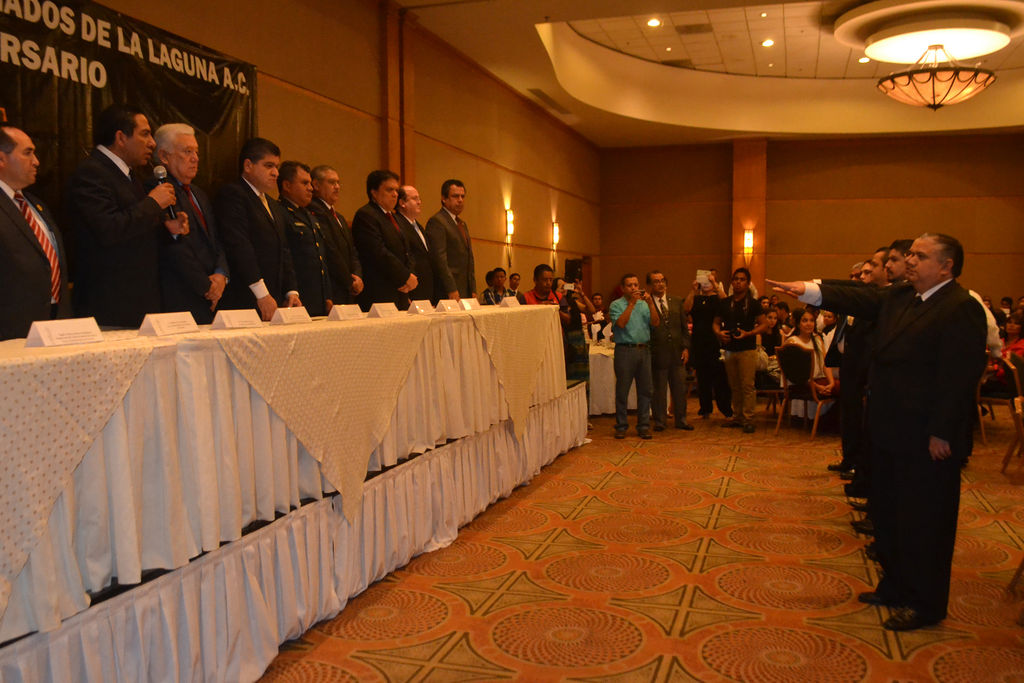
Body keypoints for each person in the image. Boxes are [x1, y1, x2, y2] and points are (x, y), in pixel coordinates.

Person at [769, 233, 987, 632]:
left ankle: (925, 602)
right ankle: (895, 584)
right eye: (911, 254)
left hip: (928, 436)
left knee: (924, 520)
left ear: (946, 267)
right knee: (889, 513)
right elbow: (855, 296)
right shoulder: (902, 296)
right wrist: (809, 289)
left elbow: (959, 378)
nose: (910, 260)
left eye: (920, 256)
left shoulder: (961, 307)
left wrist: (943, 432)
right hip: (889, 428)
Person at [68, 104, 187, 327]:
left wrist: (168, 229)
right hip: (110, 307)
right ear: (121, 138)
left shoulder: (129, 175)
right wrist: (153, 203)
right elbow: (108, 229)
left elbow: (136, 232)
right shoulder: (91, 172)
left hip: (138, 304)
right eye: (145, 134)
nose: (152, 143)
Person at [215, 137, 302, 320]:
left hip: (273, 298)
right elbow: (239, 247)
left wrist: (291, 291)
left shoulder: (273, 205)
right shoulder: (233, 194)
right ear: (248, 165)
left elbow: (283, 250)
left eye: (277, 167)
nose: (275, 173)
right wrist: (261, 293)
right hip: (245, 299)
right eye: (269, 166)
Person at [0, 125, 71, 339]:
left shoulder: (36, 205)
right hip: (11, 331)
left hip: (54, 325)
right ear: (1, 159)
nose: (37, 161)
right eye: (27, 153)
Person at [153, 123, 229, 324]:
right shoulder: (158, 191)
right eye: (187, 152)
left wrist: (221, 275)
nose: (195, 158)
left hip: (211, 299)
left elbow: (216, 240)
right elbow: (175, 249)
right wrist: (207, 287)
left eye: (196, 152)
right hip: (178, 300)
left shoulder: (199, 193)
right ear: (164, 156)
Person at [352, 170, 416, 311]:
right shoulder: (366, 215)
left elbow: (408, 251)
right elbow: (378, 252)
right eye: (389, 190)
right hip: (379, 292)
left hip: (401, 290)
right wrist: (404, 276)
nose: (395, 194)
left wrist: (409, 276)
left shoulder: (395, 218)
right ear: (374, 192)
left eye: (396, 190)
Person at [714, 267, 768, 433]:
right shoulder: (725, 303)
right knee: (734, 385)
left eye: (742, 279)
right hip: (729, 349)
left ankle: (749, 418)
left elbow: (764, 324)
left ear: (748, 283)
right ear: (732, 282)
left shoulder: (753, 304)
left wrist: (749, 333)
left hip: (747, 349)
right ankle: (737, 416)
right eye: (736, 279)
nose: (738, 282)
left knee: (747, 385)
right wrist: (719, 333)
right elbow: (715, 323)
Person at [609, 273, 661, 439]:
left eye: (636, 285)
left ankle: (643, 426)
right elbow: (621, 324)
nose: (634, 288)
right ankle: (621, 426)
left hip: (644, 350)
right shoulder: (616, 305)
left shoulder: (645, 304)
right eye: (630, 285)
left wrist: (651, 304)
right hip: (625, 350)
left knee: (646, 390)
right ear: (623, 288)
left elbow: (656, 323)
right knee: (622, 390)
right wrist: (631, 304)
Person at [278, 161, 332, 316]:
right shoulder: (280, 213)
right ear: (287, 186)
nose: (311, 188)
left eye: (310, 183)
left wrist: (327, 294)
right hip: (297, 296)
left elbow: (321, 259)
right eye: (304, 183)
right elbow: (285, 258)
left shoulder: (309, 215)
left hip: (318, 297)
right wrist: (290, 291)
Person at [308, 165, 363, 306]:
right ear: (316, 185)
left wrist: (358, 276)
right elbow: (330, 250)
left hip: (348, 287)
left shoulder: (339, 217)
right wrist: (349, 281)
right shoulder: (314, 211)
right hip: (333, 287)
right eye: (332, 182)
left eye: (338, 183)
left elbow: (352, 250)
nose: (337, 187)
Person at [648, 271, 693, 431]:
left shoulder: (676, 301)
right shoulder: (646, 304)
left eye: (662, 281)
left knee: (680, 389)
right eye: (656, 281)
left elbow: (684, 328)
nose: (660, 284)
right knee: (659, 390)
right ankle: (660, 421)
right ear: (650, 285)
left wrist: (686, 347)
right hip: (657, 353)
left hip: (677, 353)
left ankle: (681, 420)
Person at [684, 271, 732, 420]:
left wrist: (715, 284)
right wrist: (693, 290)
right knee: (702, 377)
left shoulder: (718, 298)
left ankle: (726, 409)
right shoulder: (696, 298)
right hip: (698, 340)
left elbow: (727, 303)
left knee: (720, 377)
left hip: (715, 340)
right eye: (703, 281)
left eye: (708, 281)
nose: (706, 284)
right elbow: (686, 309)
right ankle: (705, 409)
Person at [426, 179, 476, 299]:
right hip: (448, 290)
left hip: (465, 289)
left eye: (462, 196)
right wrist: (451, 288)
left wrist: (473, 289)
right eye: (455, 196)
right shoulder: (437, 221)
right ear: (444, 198)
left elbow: (469, 259)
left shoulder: (462, 224)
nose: (460, 200)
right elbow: (440, 259)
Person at [395, 184, 440, 303]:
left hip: (426, 289)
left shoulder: (419, 226)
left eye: (419, 199)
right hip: (411, 290)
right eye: (415, 199)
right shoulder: (397, 224)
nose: (419, 202)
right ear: (402, 203)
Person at [562, 278, 596, 383]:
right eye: (561, 287)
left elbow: (591, 310)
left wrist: (582, 293)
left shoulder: (572, 301)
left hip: (578, 338)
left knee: (582, 371)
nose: (564, 289)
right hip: (566, 338)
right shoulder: (555, 304)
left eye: (565, 286)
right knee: (570, 371)